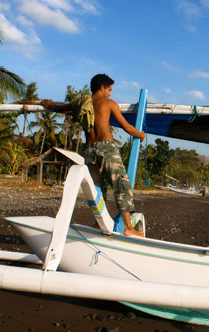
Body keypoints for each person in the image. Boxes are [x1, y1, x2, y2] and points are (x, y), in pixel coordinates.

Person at [42, 74, 145, 237]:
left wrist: (48, 105)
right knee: (121, 185)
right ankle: (128, 228)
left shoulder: (80, 102)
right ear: (102, 87)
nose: (110, 94)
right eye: (109, 90)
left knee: (98, 188)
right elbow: (126, 127)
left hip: (89, 150)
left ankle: (98, 222)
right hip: (107, 148)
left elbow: (59, 108)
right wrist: (140, 135)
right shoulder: (109, 103)